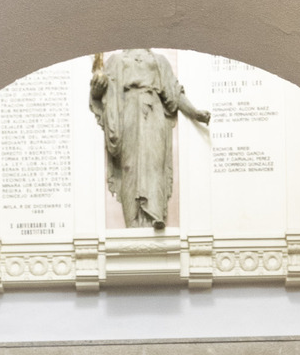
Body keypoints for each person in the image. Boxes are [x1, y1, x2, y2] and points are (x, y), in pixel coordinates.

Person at [90, 48, 210, 228]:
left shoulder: (159, 60)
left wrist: (194, 112)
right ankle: (133, 220)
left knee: (155, 163)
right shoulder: (116, 60)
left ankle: (155, 213)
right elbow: (102, 93)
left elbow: (174, 93)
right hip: (128, 114)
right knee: (129, 165)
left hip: (154, 115)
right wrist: (97, 91)